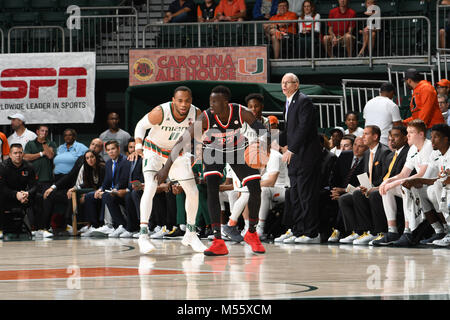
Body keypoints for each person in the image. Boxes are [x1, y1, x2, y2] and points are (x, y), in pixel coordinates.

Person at [155, 85, 270, 255]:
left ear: (225, 103)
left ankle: (252, 233)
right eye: (210, 101)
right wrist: (165, 169)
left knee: (255, 187)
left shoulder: (241, 112)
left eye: (214, 101)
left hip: (237, 148)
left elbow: (263, 130)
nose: (211, 105)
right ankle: (218, 240)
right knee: (212, 189)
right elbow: (181, 141)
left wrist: (265, 145)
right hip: (213, 149)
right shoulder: (206, 117)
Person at [132, 86, 207, 254]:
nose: (183, 104)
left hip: (176, 153)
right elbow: (140, 126)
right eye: (180, 100)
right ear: (173, 100)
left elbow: (199, 133)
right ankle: (143, 235)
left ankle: (191, 233)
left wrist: (199, 152)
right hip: (154, 151)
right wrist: (138, 145)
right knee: (150, 188)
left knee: (193, 191)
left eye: (187, 100)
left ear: (191, 100)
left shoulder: (196, 113)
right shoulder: (161, 111)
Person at [373, 119, 433, 246]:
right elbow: (403, 174)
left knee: (405, 187)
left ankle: (408, 231)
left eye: (411, 132)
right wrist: (387, 181)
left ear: (421, 134)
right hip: (418, 186)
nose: (408, 135)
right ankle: (392, 231)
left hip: (428, 185)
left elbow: (421, 174)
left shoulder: (429, 146)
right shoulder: (412, 149)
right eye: (407, 132)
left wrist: (395, 183)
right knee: (386, 189)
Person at [279, 72, 322, 243]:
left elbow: (304, 128)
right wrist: (279, 144)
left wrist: (292, 149)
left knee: (306, 195)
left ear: (296, 84)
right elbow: (289, 129)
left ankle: (312, 233)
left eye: (287, 83)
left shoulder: (303, 101)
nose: (284, 86)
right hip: (294, 157)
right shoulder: (288, 102)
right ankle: (298, 229)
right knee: (295, 195)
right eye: (282, 83)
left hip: (305, 156)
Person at [349, 126, 410, 245]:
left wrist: (376, 187)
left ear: (405, 138)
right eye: (390, 137)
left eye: (395, 136)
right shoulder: (392, 155)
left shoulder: (405, 152)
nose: (391, 140)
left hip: (400, 188)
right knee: (353, 195)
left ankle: (381, 231)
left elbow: (400, 176)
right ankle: (366, 231)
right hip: (386, 186)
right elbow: (383, 177)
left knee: (377, 194)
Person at [338, 125, 391, 244]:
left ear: (375, 136)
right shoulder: (367, 153)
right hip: (368, 187)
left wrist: (370, 188)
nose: (363, 137)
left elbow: (385, 177)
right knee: (344, 199)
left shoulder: (384, 152)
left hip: (380, 188)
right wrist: (362, 186)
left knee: (360, 194)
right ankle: (358, 232)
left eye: (366, 134)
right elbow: (366, 175)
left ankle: (374, 231)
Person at [403, 124, 450, 246]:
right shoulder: (435, 154)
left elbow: (445, 179)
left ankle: (448, 230)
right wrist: (416, 181)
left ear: (446, 139)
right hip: (443, 186)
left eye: (436, 137)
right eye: (432, 136)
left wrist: (420, 180)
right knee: (420, 190)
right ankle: (440, 230)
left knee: (436, 188)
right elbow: (428, 177)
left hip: (445, 187)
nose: (432, 140)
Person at [83, 140, 130, 237]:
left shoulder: (125, 161)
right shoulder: (108, 163)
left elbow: (123, 180)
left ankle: (117, 225)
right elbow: (107, 181)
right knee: (91, 196)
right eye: (108, 150)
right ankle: (95, 226)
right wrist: (100, 189)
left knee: (107, 196)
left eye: (113, 149)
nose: (111, 152)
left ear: (118, 149)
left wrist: (112, 190)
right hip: (111, 190)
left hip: (122, 191)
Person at [327, 136, 367, 242]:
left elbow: (364, 184)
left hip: (356, 191)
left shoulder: (367, 160)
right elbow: (333, 176)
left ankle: (339, 230)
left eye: (361, 146)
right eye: (355, 145)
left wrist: (344, 190)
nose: (356, 149)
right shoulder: (345, 155)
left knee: (344, 198)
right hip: (338, 191)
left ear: (367, 148)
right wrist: (334, 190)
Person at [23, 125, 58, 231]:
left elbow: (50, 155)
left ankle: (45, 227)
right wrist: (41, 153)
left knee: (47, 204)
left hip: (47, 179)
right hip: (32, 179)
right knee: (32, 204)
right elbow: (26, 157)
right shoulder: (30, 143)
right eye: (42, 131)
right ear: (37, 131)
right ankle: (33, 227)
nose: (44, 133)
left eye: (46, 131)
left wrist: (44, 143)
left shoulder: (51, 143)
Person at [0, 144, 37, 238]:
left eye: (20, 153)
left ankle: (39, 229)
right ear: (10, 155)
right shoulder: (3, 166)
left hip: (24, 196)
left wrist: (27, 194)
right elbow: (2, 187)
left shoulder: (29, 166)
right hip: (7, 196)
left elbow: (34, 186)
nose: (18, 155)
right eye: (15, 153)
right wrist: (15, 194)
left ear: (23, 154)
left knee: (41, 197)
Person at [66, 150, 105, 236]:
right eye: (87, 158)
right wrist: (74, 188)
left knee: (87, 197)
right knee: (82, 196)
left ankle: (94, 225)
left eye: (92, 157)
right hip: (95, 192)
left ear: (96, 157)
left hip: (104, 191)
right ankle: (87, 225)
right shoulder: (88, 169)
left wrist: (93, 192)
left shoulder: (102, 167)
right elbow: (85, 184)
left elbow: (104, 183)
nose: (90, 160)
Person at [402, 69, 445, 137]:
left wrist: (419, 127)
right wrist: (404, 122)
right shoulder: (418, 89)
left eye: (405, 81)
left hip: (433, 128)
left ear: (409, 80)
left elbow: (426, 110)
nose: (405, 83)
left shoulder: (426, 88)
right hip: (427, 127)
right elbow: (417, 115)